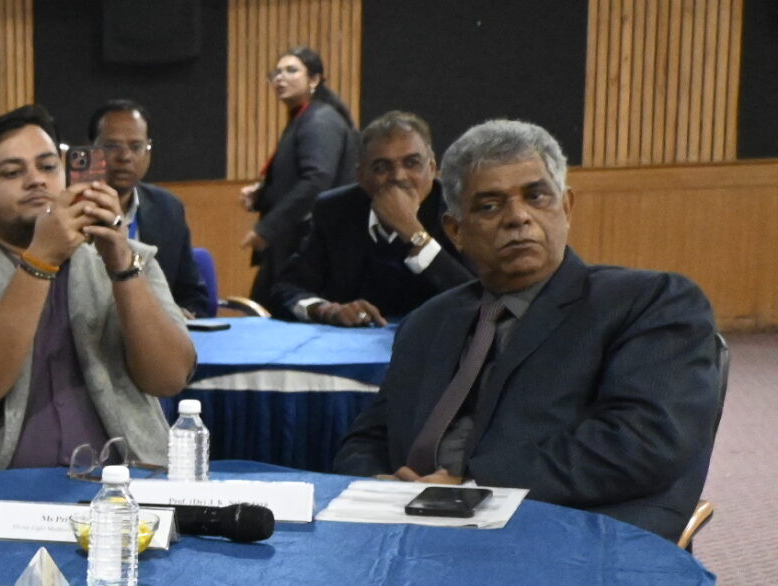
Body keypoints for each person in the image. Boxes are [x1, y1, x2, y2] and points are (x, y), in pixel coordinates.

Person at [334, 120, 721, 542]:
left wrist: (473, 488)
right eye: (489, 206)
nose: (518, 217)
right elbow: (368, 438)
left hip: (563, 536)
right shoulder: (427, 321)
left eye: (537, 197)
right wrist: (378, 485)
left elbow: (643, 442)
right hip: (411, 532)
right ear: (455, 230)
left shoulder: (648, 302)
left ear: (566, 206)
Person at [0, 106, 196, 472]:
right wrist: (41, 259)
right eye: (12, 172)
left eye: (47, 167)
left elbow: (170, 378)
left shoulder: (132, 259)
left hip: (123, 483)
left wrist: (122, 267)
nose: (36, 181)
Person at [270, 112, 470, 326]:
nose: (398, 176)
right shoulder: (334, 210)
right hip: (354, 342)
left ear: (432, 168)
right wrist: (326, 310)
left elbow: (479, 298)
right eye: (381, 167)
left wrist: (414, 234)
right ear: (361, 176)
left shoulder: (461, 212)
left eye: (412, 163)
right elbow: (285, 289)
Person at [242, 46, 358, 308]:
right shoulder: (305, 118)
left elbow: (316, 180)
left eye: (291, 70)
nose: (280, 78)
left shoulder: (319, 120)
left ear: (314, 79)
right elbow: (295, 179)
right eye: (276, 73)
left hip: (308, 248)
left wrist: (266, 229)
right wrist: (261, 195)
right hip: (294, 243)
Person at [88, 102, 212, 317]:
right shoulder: (70, 211)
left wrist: (183, 314)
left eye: (136, 146)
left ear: (148, 151)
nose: (125, 156)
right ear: (91, 149)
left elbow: (193, 296)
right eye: (112, 146)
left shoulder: (169, 209)